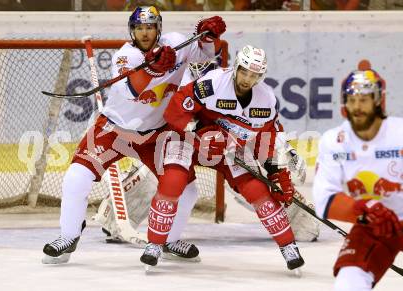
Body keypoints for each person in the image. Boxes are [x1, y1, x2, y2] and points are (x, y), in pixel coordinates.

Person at [42, 5, 226, 264]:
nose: (145, 32)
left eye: (150, 27)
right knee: (76, 177)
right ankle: (68, 236)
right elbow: (133, 90)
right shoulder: (125, 56)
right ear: (132, 31)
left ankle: (169, 240)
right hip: (114, 129)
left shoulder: (175, 43)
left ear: (158, 28)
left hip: (158, 133)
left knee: (187, 190)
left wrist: (208, 35)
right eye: (140, 28)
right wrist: (153, 69)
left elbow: (205, 54)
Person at [140, 45, 305, 271]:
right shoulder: (213, 83)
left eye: (255, 75)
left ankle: (288, 247)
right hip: (189, 139)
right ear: (236, 67)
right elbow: (176, 107)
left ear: (262, 76)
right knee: (173, 181)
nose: (248, 79)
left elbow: (267, 140)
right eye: (245, 72)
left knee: (257, 190)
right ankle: (155, 245)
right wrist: (196, 132)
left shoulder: (265, 100)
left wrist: (278, 174)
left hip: (227, 146)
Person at [312, 62, 403, 290]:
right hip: (373, 223)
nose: (357, 106)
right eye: (352, 100)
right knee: (348, 281)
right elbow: (324, 199)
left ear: (377, 101)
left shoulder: (400, 133)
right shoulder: (334, 140)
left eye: (363, 99)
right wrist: (367, 210)